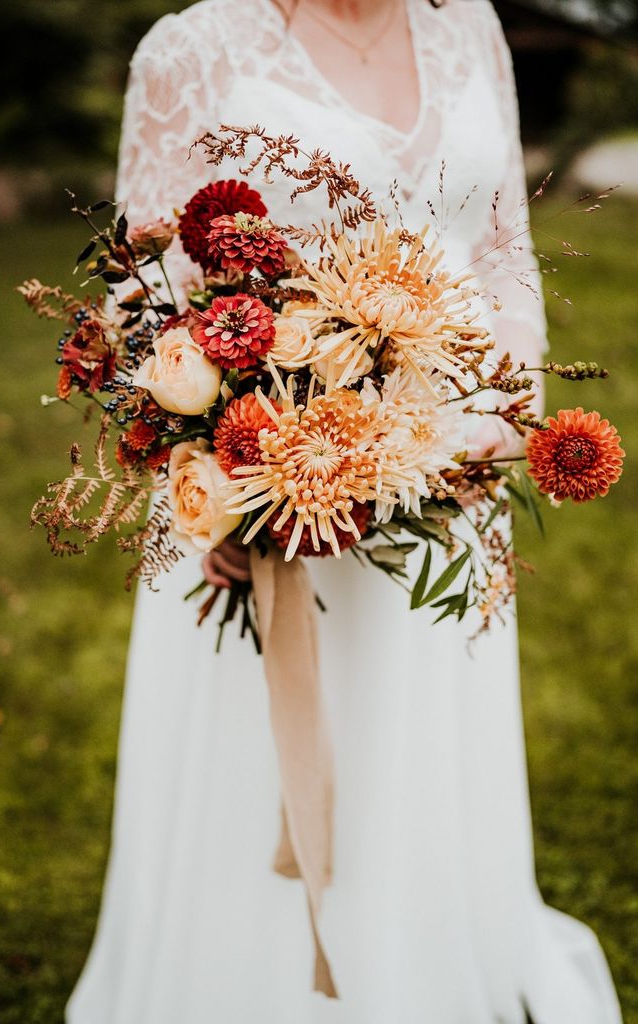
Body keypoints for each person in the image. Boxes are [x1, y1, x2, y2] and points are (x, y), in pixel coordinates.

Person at [66, 1, 623, 1021]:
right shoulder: (195, 49)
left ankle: (425, 964)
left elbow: (499, 243)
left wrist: (504, 414)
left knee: (419, 754)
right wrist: (220, 485)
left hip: (449, 483)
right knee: (258, 766)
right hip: (260, 491)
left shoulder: (468, 29)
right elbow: (142, 296)